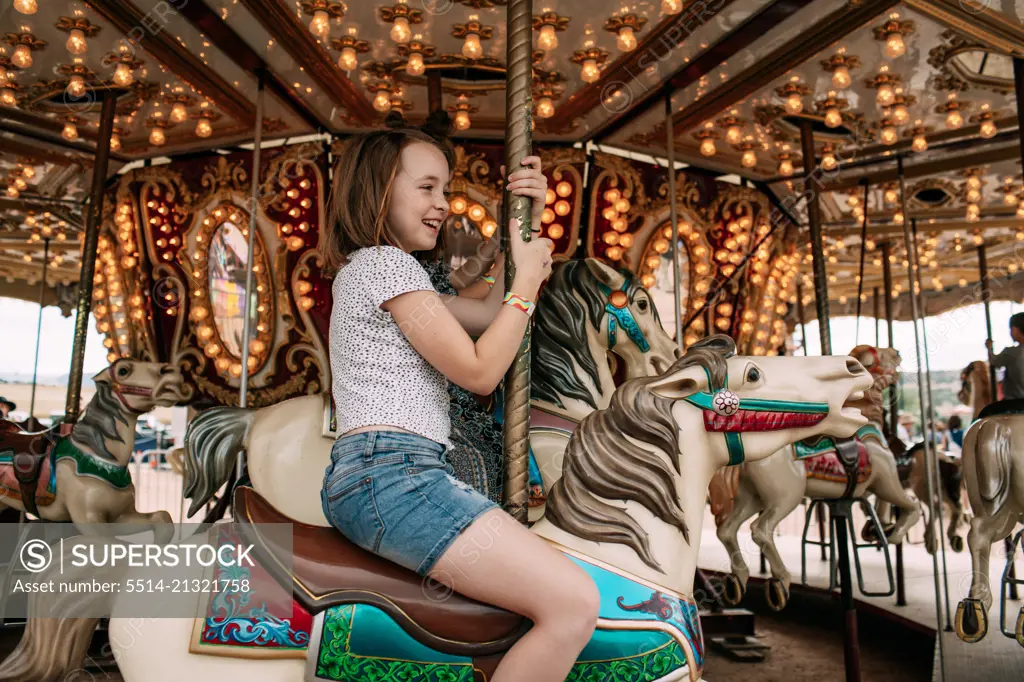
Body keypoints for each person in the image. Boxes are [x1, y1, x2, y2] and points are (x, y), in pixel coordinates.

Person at [319, 129, 599, 682]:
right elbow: (479, 370)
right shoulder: (385, 266)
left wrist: (528, 223)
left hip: (386, 472)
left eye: (444, 188)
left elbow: (494, 312)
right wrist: (529, 287)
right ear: (378, 192)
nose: (443, 204)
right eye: (427, 187)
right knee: (573, 603)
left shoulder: (382, 273)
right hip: (394, 475)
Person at [985, 312, 1024, 400]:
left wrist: (989, 348)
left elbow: (994, 362)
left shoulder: (1012, 352)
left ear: (1015, 330)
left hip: (1015, 402)